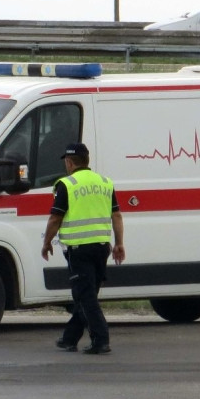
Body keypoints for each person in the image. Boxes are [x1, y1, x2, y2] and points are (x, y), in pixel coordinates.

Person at [41, 143, 125, 354]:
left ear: (69, 163)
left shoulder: (67, 185)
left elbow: (55, 218)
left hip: (79, 250)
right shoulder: (105, 182)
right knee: (87, 295)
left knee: (85, 297)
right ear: (87, 161)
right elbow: (116, 215)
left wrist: (47, 242)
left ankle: (101, 339)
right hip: (101, 247)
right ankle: (70, 338)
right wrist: (119, 243)